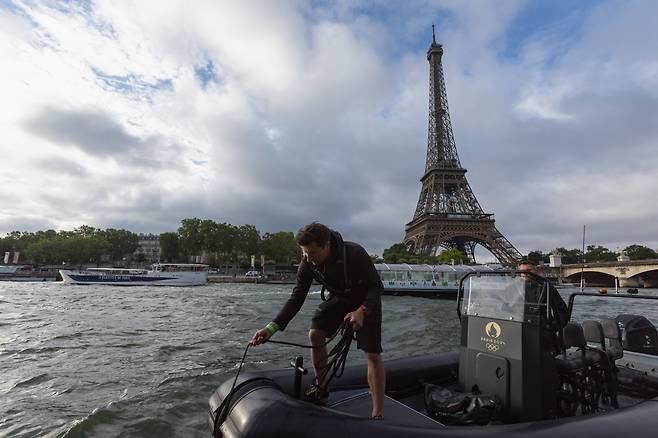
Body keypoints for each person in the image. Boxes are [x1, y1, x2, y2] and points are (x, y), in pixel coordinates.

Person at [251, 222, 385, 419]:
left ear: (327, 245)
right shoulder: (307, 263)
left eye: (312, 253)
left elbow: (376, 287)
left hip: (366, 301)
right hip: (340, 299)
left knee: (372, 355)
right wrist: (270, 328)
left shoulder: (355, 253)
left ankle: (378, 413)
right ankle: (321, 387)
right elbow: (297, 298)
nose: (308, 258)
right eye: (305, 253)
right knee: (315, 333)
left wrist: (362, 311)